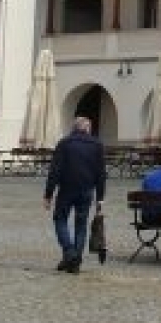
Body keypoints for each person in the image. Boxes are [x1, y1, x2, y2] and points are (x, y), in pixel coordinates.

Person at [42, 116, 107, 274]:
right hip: (87, 190)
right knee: (81, 224)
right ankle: (75, 260)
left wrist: (48, 194)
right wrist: (100, 198)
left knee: (60, 219)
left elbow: (55, 170)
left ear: (74, 128)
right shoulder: (97, 145)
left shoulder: (65, 143)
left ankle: (69, 252)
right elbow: (101, 174)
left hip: (66, 189)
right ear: (88, 129)